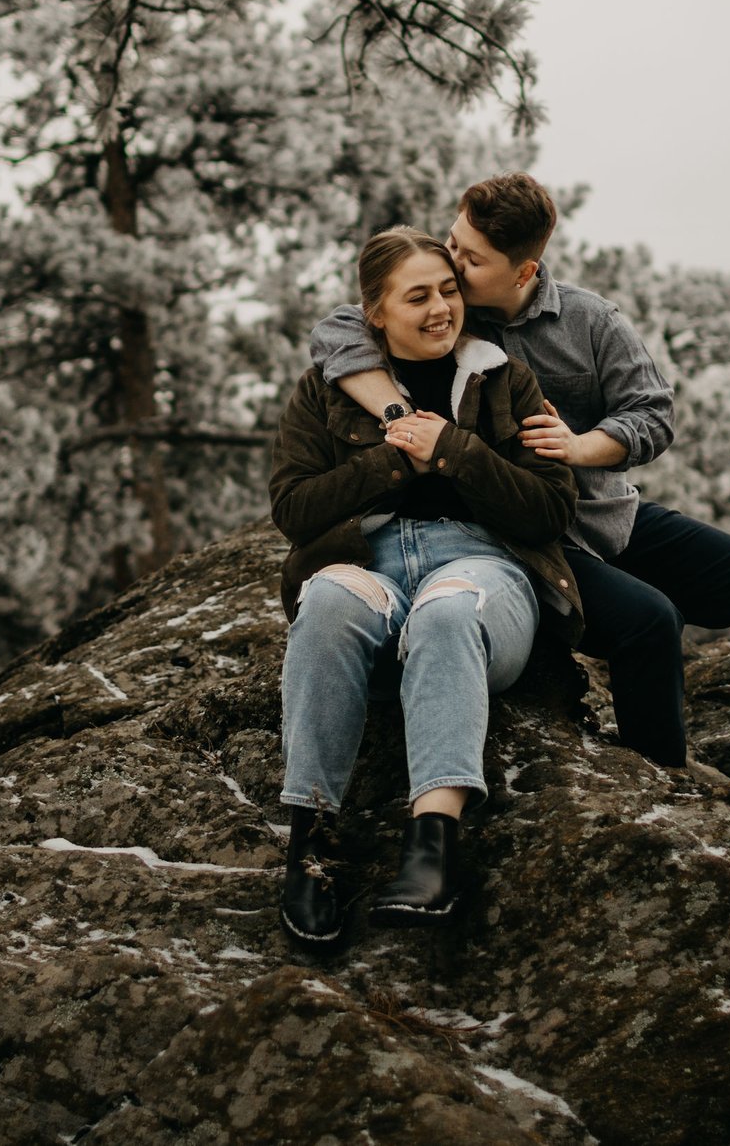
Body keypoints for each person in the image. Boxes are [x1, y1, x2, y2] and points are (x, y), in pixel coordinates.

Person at [309, 174, 730, 814]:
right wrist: (402, 416)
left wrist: (580, 446)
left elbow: (653, 414)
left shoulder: (589, 321)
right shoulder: (443, 317)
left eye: (470, 259)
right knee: (651, 620)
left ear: (524, 270)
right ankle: (661, 794)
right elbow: (337, 332)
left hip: (605, 514)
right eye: (455, 243)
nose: (451, 264)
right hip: (529, 535)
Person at [269, 226, 579, 945]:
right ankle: (311, 847)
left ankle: (432, 847)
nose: (441, 308)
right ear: (375, 312)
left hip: (482, 567)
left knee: (446, 612)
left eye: (448, 290)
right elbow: (294, 509)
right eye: (418, 297)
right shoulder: (324, 391)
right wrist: (393, 459)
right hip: (368, 562)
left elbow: (550, 507)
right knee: (325, 601)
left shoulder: (504, 376)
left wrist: (455, 452)